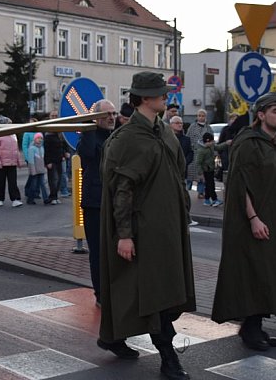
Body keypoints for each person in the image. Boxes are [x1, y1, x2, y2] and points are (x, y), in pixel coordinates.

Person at [97, 72, 195, 380]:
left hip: (169, 228)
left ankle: (112, 337)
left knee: (163, 290)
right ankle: (168, 358)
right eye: (160, 93)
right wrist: (124, 235)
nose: (166, 97)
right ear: (143, 98)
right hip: (143, 229)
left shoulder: (164, 131)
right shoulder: (127, 139)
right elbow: (121, 190)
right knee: (156, 295)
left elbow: (178, 172)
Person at [211, 92, 276, 351]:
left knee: (270, 273)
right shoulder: (247, 143)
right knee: (254, 273)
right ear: (261, 114)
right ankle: (250, 328)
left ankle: (256, 325)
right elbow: (239, 185)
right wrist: (253, 218)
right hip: (251, 222)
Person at [77, 99, 116, 304]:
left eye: (113, 113)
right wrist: (89, 126)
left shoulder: (116, 136)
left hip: (115, 202)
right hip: (95, 203)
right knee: (99, 252)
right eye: (106, 114)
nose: (111, 117)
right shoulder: (89, 136)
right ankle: (101, 293)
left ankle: (115, 289)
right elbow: (88, 153)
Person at [170, 116, 197, 226]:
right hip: (170, 170)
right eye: (177, 123)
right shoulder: (168, 138)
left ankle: (186, 215)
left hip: (182, 171)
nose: (180, 125)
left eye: (181, 123)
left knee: (183, 193)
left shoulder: (186, 139)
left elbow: (190, 153)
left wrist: (184, 162)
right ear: (171, 124)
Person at [0, 118, 23, 207]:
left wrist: (19, 161)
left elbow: (16, 149)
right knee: (0, 182)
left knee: (13, 182)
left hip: (12, 163)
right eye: (9, 123)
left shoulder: (13, 134)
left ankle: (15, 199)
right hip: (1, 163)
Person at [195, 132, 228, 207]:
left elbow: (218, 147)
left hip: (211, 169)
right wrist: (201, 174)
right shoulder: (201, 151)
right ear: (207, 141)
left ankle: (207, 200)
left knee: (208, 185)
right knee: (210, 185)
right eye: (211, 141)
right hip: (206, 170)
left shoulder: (211, 146)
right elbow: (198, 163)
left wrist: (226, 143)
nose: (213, 142)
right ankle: (214, 199)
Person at [43, 110, 69, 204]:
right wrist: (47, 161)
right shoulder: (47, 131)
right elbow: (46, 148)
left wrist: (65, 153)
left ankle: (55, 196)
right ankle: (52, 197)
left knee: (60, 178)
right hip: (51, 159)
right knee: (53, 179)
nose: (54, 117)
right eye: (52, 115)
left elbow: (63, 143)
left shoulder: (60, 131)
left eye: (55, 115)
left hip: (60, 158)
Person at [186, 109, 213, 198]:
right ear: (197, 117)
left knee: (201, 175)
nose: (201, 117)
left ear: (205, 117)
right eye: (199, 115)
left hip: (203, 155)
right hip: (193, 153)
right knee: (190, 175)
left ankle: (200, 192)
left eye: (203, 116)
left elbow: (212, 141)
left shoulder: (208, 128)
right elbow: (187, 138)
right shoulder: (192, 126)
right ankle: (186, 191)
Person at [25, 133, 49, 205]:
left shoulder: (42, 148)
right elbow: (31, 161)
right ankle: (30, 199)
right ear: (35, 139)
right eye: (38, 138)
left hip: (41, 170)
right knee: (33, 185)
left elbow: (42, 159)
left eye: (41, 138)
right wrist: (33, 171)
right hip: (34, 171)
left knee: (43, 185)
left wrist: (44, 168)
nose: (40, 140)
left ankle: (46, 199)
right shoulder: (32, 148)